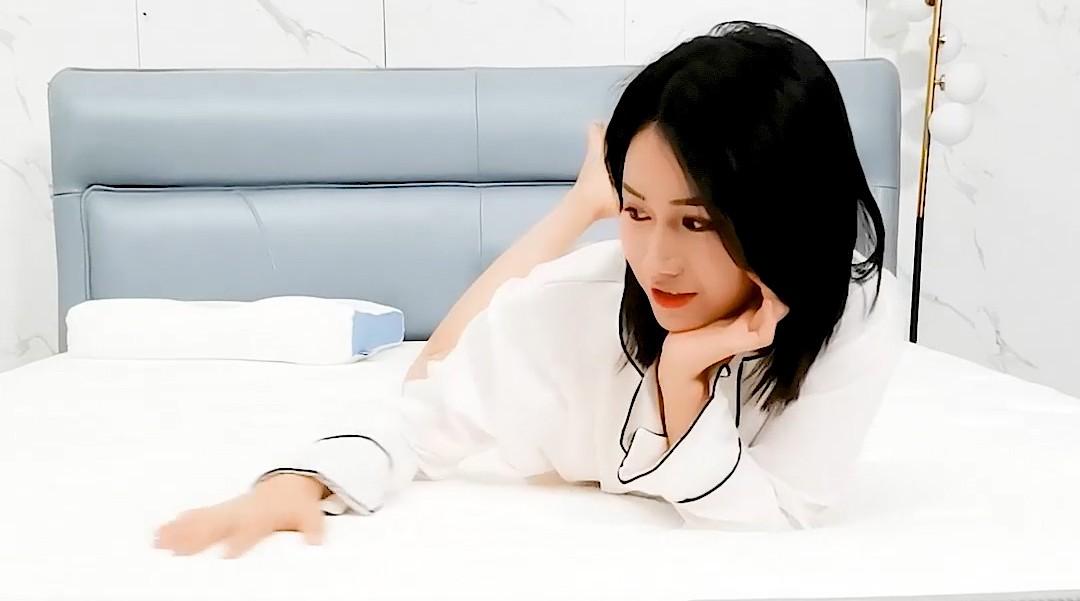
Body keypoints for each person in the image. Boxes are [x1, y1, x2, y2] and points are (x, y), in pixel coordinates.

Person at [153, 21, 903, 559]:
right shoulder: (572, 301)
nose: (657, 262)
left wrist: (683, 383)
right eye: (635, 210)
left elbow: (773, 518)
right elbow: (414, 418)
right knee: (428, 366)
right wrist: (294, 481)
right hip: (539, 352)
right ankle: (584, 201)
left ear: (783, 211)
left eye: (697, 221)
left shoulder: (860, 315)